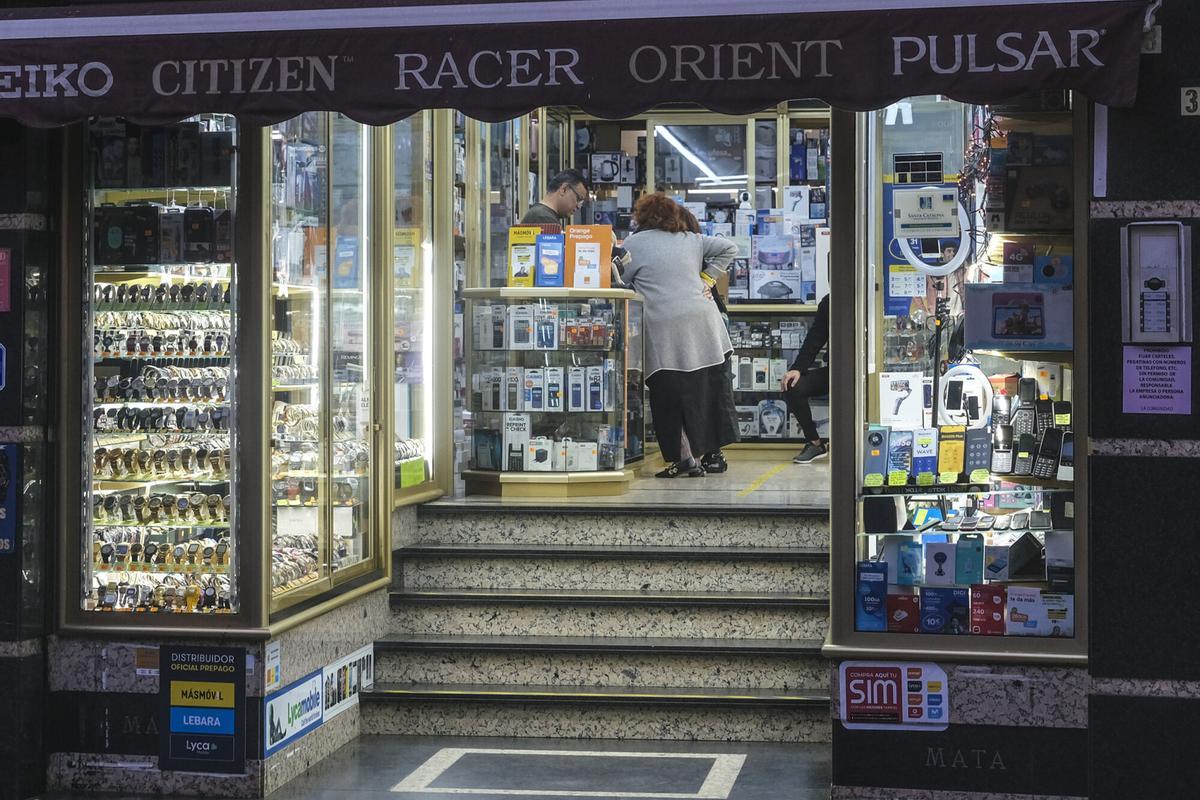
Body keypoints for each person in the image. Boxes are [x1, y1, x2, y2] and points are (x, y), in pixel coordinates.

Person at [621, 194, 739, 478]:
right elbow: (729, 248)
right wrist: (707, 278)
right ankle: (710, 455)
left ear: (643, 216)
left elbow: (621, 282)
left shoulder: (633, 244)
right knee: (704, 392)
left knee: (668, 396)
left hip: (665, 330)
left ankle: (685, 458)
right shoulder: (691, 239)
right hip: (704, 325)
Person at [781, 293, 829, 464]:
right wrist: (797, 368)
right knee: (791, 385)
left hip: (862, 373)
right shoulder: (829, 302)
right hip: (835, 372)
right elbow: (815, 338)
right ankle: (815, 443)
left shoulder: (866, 296)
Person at [521, 169, 589, 225]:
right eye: (578, 199)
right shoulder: (544, 219)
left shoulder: (540, 215)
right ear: (564, 189)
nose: (578, 206)